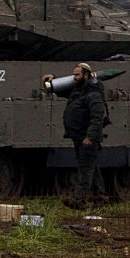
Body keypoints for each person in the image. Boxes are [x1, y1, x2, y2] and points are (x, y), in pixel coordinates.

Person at [43, 63, 108, 209]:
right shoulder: (79, 90)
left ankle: (78, 200)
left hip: (87, 138)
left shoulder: (94, 94)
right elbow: (64, 92)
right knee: (92, 168)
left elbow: (97, 118)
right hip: (79, 137)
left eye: (77, 75)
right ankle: (101, 198)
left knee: (85, 168)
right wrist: (53, 79)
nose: (74, 78)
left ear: (86, 75)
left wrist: (89, 137)